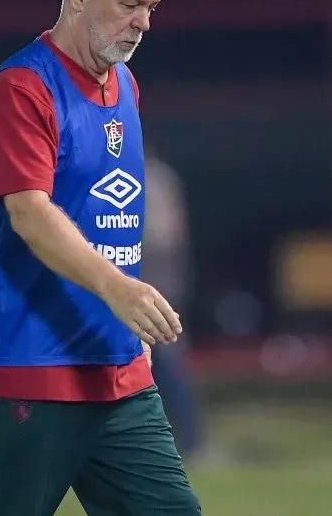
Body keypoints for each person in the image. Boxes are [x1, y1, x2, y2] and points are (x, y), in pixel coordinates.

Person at [0, 0, 201, 515]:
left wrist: (127, 323)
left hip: (119, 375)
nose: (143, 23)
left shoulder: (125, 86)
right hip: (30, 369)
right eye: (130, 4)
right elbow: (29, 213)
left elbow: (107, 212)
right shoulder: (23, 88)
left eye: (152, 7)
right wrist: (118, 289)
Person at [142, 151, 205, 459]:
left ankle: (192, 443)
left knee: (168, 363)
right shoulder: (153, 176)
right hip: (144, 289)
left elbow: (164, 238)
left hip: (156, 289)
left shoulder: (153, 179)